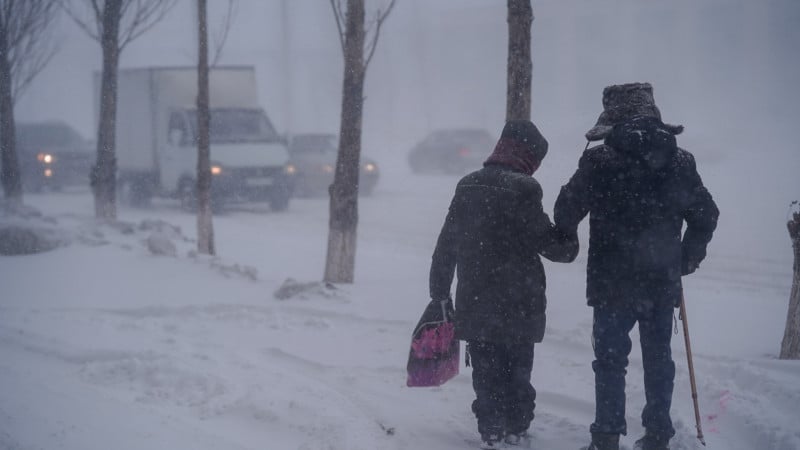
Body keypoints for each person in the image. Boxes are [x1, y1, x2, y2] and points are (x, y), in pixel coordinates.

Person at [554, 83, 719, 450]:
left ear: (612, 117)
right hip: (660, 281)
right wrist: (684, 260)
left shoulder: (600, 161)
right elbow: (706, 215)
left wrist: (567, 227)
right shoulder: (680, 161)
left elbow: (566, 211)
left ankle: (607, 437)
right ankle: (658, 436)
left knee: (610, 362)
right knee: (659, 360)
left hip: (611, 283)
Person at [429, 120, 578, 449]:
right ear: (528, 156)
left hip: (476, 297)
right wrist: (568, 229)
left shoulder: (468, 185)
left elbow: (446, 245)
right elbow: (553, 248)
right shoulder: (524, 189)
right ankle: (516, 429)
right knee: (517, 370)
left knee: (485, 371)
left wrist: (439, 292)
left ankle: (492, 431)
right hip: (518, 299)